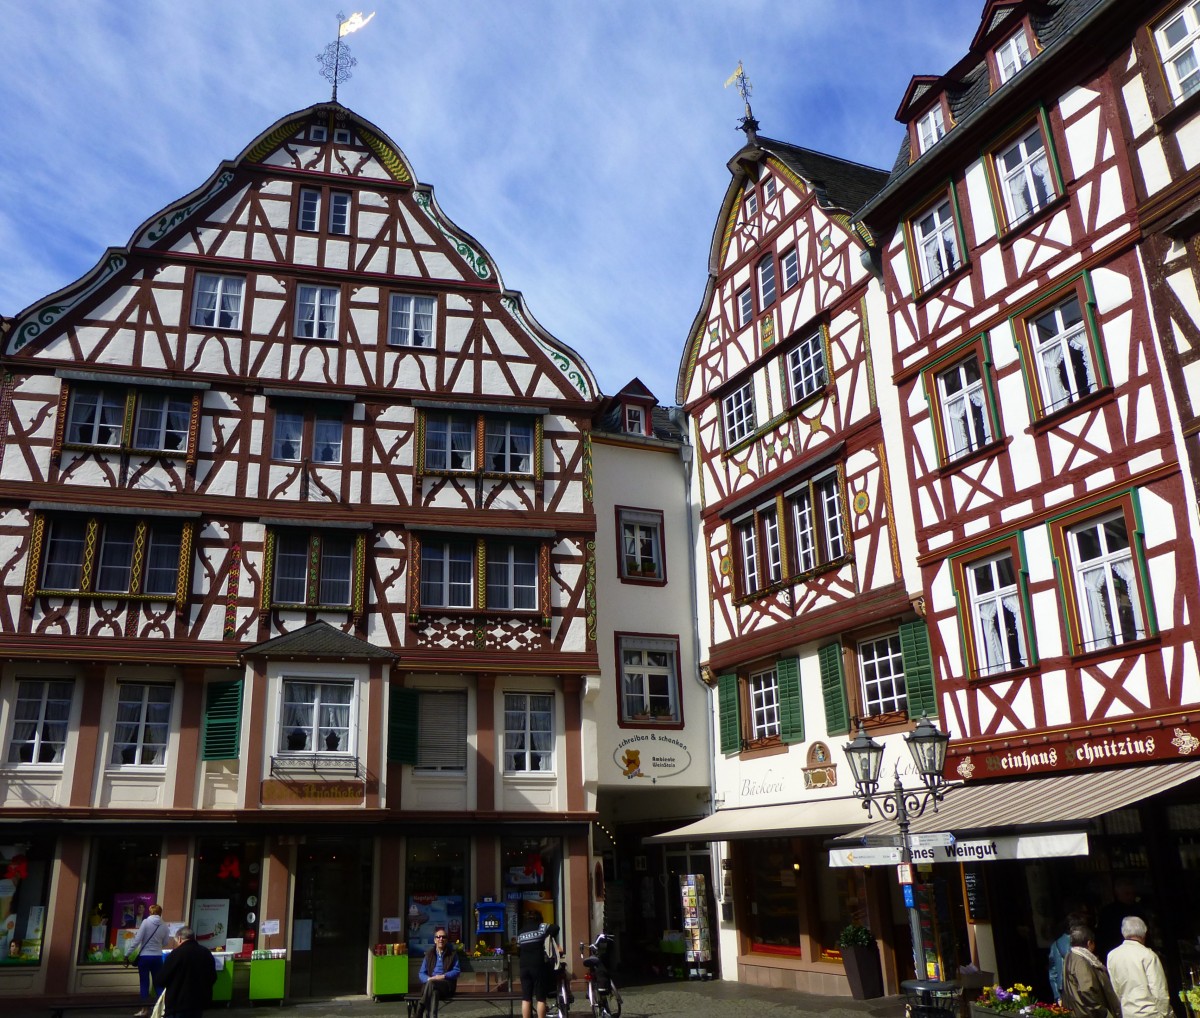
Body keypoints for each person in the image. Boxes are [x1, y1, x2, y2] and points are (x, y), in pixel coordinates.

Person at [1107, 916, 1171, 1018]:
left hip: (1127, 1012)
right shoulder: (1148, 955)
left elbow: (1115, 988)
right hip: (1151, 1013)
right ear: (1144, 933)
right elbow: (1159, 990)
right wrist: (1165, 1014)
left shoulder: (1112, 955)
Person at [157, 925, 216, 1018]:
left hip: (177, 1004)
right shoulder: (206, 952)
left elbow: (162, 979)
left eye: (176, 942)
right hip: (198, 1003)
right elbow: (212, 977)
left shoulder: (176, 954)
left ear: (179, 939)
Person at [1062, 925, 1121, 1018]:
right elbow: (1087, 989)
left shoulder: (1070, 956)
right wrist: (1104, 1012)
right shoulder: (1081, 961)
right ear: (1089, 943)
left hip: (1079, 1012)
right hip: (1089, 1014)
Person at [126, 903, 170, 1017]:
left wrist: (127, 954)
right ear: (160, 912)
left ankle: (144, 1010)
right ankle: (163, 1010)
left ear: (151, 912)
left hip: (145, 957)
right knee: (158, 983)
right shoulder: (164, 925)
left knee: (144, 983)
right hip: (157, 957)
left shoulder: (146, 922)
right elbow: (165, 942)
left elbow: (137, 940)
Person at [516, 914, 561, 1018]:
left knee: (526, 998)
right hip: (537, 965)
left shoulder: (521, 932)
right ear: (539, 919)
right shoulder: (541, 927)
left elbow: (518, 950)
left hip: (523, 966)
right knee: (541, 998)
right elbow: (556, 928)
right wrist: (549, 935)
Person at [1050, 908, 1093, 1004]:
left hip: (1063, 989)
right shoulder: (1083, 942)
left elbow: (1052, 974)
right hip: (1082, 987)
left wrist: (1057, 996)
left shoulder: (1055, 945)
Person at [416, 926, 460, 1018]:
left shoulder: (452, 954)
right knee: (434, 992)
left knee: (431, 984)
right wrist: (429, 979)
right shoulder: (429, 954)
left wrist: (443, 976)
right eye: (438, 937)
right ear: (435, 940)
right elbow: (421, 973)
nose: (441, 939)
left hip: (446, 985)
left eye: (443, 937)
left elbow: (457, 971)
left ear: (446, 940)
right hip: (431, 985)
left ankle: (420, 1007)